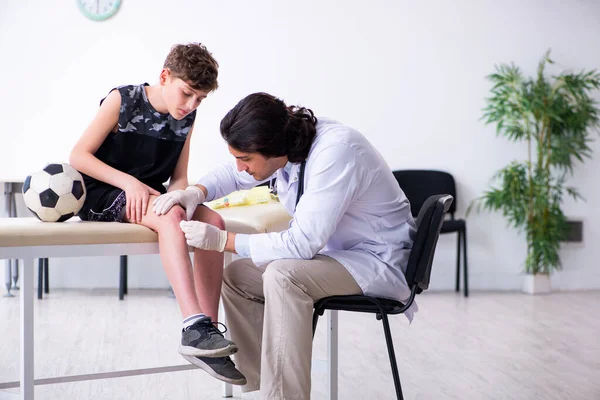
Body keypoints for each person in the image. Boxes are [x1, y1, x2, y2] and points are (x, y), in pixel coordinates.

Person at [153, 92, 417, 399]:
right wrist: (197, 192)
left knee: (283, 276)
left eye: (246, 159)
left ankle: (283, 396)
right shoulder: (286, 149)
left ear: (272, 149)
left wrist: (225, 241)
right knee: (238, 276)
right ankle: (264, 383)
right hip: (342, 256)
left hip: (378, 262)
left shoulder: (336, 151)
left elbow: (302, 243)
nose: (241, 167)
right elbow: (234, 175)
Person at [69, 43, 246, 385]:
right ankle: (193, 325)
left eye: (200, 99)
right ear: (165, 76)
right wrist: (130, 184)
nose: (192, 104)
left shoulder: (187, 116)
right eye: (188, 93)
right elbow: (78, 156)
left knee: (215, 222)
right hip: (102, 191)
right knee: (171, 219)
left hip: (148, 194)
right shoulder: (122, 100)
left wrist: (181, 196)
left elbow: (179, 176)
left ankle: (207, 333)